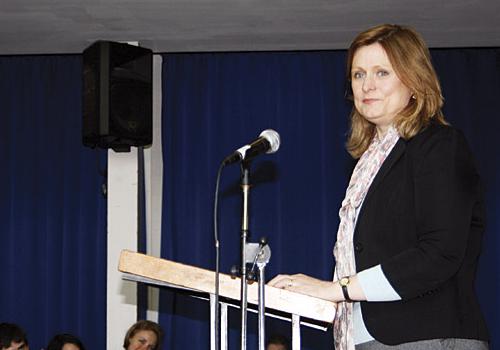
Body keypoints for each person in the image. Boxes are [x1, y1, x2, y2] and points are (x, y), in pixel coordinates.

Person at [269, 24, 489, 350]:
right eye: (358, 75)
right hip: (368, 339)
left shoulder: (439, 145)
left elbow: (439, 254)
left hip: (426, 336)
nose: (367, 85)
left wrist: (336, 289)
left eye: (381, 73)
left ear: (414, 80)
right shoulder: (370, 164)